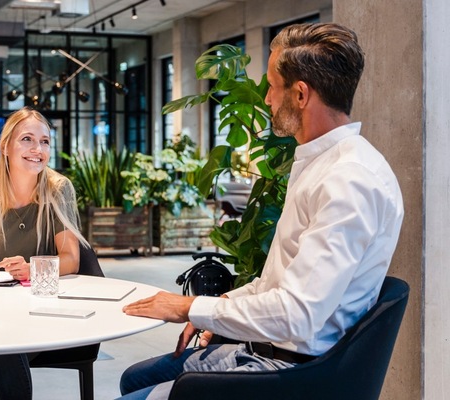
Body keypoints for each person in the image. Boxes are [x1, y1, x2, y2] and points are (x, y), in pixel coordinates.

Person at [118, 22, 404, 399]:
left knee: (136, 392)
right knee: (133, 379)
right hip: (265, 351)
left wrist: (189, 306)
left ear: (301, 94)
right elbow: (278, 286)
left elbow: (297, 315)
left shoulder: (348, 181)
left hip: (288, 371)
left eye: (272, 86)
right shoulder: (324, 164)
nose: (267, 99)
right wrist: (218, 305)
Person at [0, 107, 88, 399]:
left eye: (45, 141)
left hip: (43, 313)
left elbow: (71, 259)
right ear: (6, 146)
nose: (38, 149)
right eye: (27, 139)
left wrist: (33, 269)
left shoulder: (58, 190)